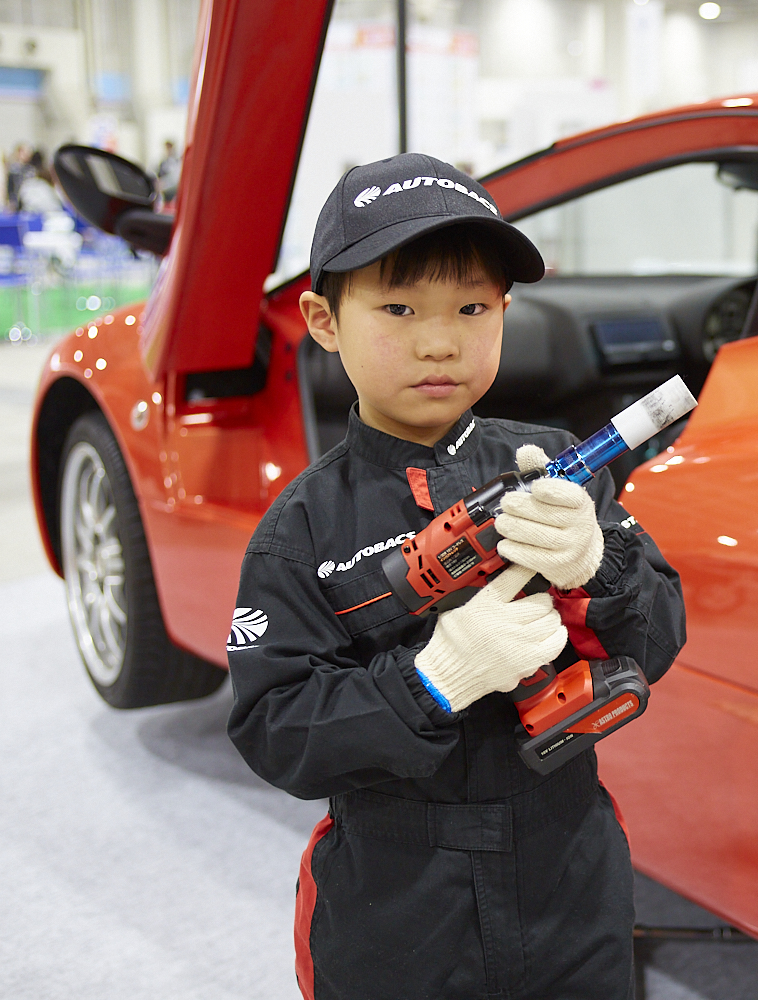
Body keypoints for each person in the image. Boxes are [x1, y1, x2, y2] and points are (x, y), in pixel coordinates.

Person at [226, 152, 685, 1000]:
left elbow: (657, 641)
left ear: (505, 310)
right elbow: (276, 731)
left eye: (472, 308)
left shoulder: (557, 467)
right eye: (399, 308)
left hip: (571, 874)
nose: (440, 341)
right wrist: (432, 680)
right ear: (324, 320)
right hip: (395, 903)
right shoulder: (301, 530)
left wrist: (596, 565)